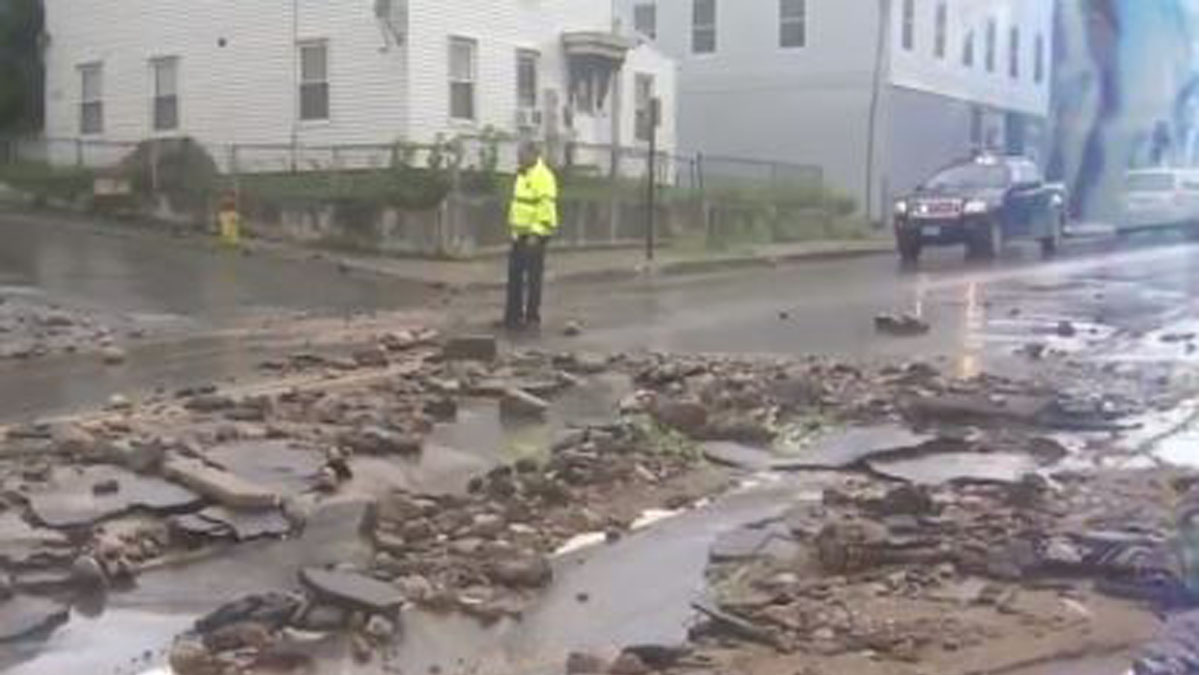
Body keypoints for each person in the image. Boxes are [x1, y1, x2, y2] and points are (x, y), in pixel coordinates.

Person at [504, 142, 558, 329]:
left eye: (522, 154)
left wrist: (536, 233)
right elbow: (518, 204)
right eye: (518, 154)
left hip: (536, 234)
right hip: (520, 233)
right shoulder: (522, 174)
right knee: (514, 275)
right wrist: (514, 231)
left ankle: (532, 317)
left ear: (534, 154)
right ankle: (513, 317)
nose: (519, 157)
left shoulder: (543, 176)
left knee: (533, 277)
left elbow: (545, 207)